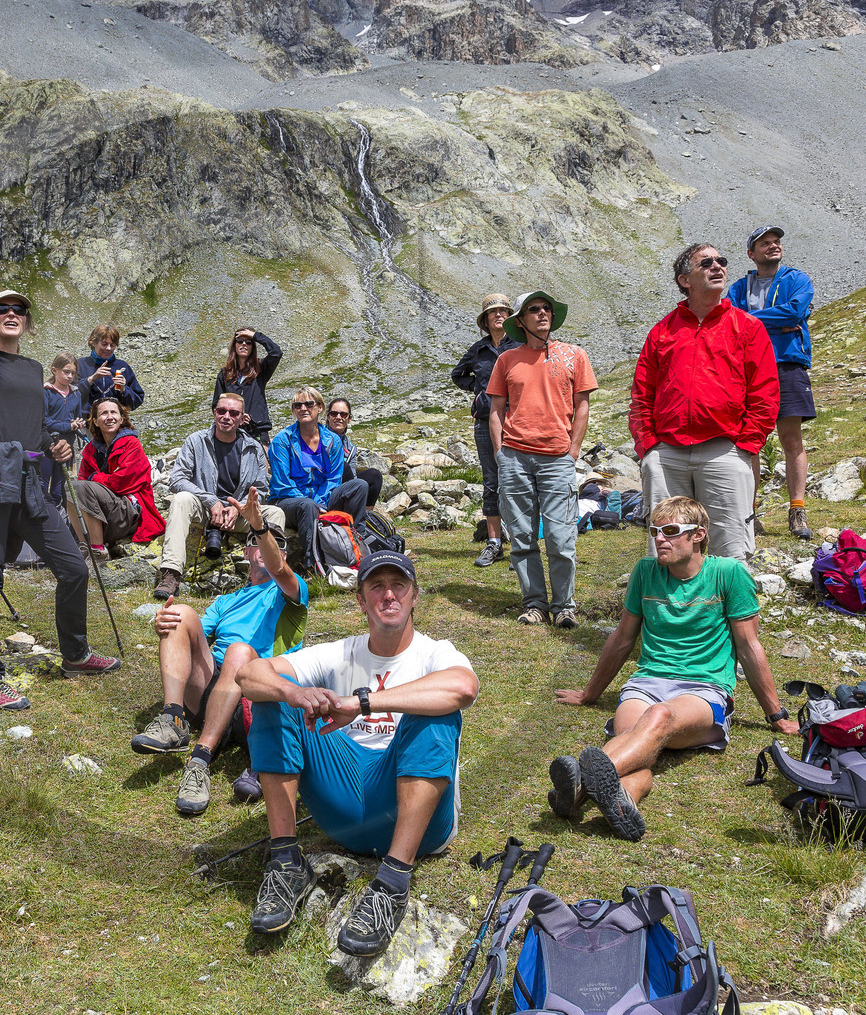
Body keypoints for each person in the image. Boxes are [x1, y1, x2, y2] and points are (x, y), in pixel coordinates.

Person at [236, 549, 478, 955]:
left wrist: (362, 703)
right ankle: (285, 864)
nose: (388, 595)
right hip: (344, 805)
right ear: (360, 599)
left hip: (417, 821)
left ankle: (393, 883)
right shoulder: (339, 652)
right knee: (275, 696)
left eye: (398, 585)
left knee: (435, 714)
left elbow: (462, 688)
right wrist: (293, 692)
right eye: (376, 586)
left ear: (414, 596)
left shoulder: (437, 652)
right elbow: (248, 674)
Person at [0, 253, 121, 712]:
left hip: (30, 475)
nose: (11, 314)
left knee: (73, 567)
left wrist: (56, 446)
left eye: (18, 310)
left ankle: (74, 654)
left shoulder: (34, 368)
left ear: (27, 323)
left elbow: (33, 426)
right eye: (2, 310)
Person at [550, 497, 797, 841]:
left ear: (698, 535)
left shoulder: (728, 574)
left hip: (704, 689)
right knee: (634, 747)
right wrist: (590, 694)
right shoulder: (645, 571)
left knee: (657, 720)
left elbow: (749, 647)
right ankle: (625, 802)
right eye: (654, 531)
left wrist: (777, 715)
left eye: (669, 531)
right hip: (647, 682)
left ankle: (576, 788)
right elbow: (622, 637)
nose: (659, 539)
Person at [138, 487, 306, 815]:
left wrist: (260, 527)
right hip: (214, 688)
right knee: (181, 614)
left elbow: (280, 570)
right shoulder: (226, 600)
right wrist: (166, 626)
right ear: (246, 551)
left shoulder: (291, 591)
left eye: (278, 544)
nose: (271, 548)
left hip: (256, 698)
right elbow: (190, 636)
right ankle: (173, 719)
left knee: (239, 653)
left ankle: (200, 760)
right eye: (261, 542)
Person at [630, 243, 779, 562]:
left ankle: (733, 609)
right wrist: (648, 447)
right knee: (667, 544)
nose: (718, 267)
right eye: (706, 263)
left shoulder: (748, 327)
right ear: (685, 280)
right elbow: (642, 392)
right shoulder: (661, 331)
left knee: (731, 544)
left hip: (724, 450)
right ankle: (668, 609)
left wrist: (747, 445)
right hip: (667, 453)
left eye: (721, 261)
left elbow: (765, 391)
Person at [486, 291, 597, 629]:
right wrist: (500, 454)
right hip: (515, 457)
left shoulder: (574, 355)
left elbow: (582, 406)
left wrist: (573, 450)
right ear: (520, 320)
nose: (542, 314)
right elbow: (495, 411)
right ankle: (534, 603)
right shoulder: (507, 360)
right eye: (534, 309)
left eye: (546, 308)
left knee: (561, 537)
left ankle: (564, 605)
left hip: (557, 459)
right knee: (521, 535)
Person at [726, 226, 816, 541]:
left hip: (787, 364)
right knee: (750, 441)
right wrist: (777, 320)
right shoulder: (737, 288)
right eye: (765, 243)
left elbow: (795, 312)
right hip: (748, 368)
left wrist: (749, 319)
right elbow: (728, 320)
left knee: (792, 439)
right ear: (752, 253)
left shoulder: (797, 280)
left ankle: (797, 510)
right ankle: (749, 513)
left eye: (776, 241)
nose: (773, 246)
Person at [154, 393, 285, 600]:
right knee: (181, 500)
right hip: (205, 509)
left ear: (242, 418)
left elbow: (261, 488)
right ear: (214, 413)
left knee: (275, 513)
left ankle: (267, 577)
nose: (226, 416)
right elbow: (177, 479)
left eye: (233, 413)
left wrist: (239, 507)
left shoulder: (254, 448)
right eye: (221, 411)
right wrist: (211, 500)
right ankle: (171, 574)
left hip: (240, 513)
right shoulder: (196, 441)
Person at [451, 293, 521, 567]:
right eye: (493, 312)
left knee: (517, 481)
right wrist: (480, 393)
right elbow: (458, 375)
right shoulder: (478, 350)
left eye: (504, 310)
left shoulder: (520, 346)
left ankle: (519, 543)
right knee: (491, 482)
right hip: (484, 422)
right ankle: (494, 542)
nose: (499, 315)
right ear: (485, 320)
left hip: (515, 420)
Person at [269, 386, 369, 576]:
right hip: (288, 501)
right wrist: (314, 504)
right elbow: (283, 484)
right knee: (307, 505)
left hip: (321, 499)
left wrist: (321, 502)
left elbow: (334, 478)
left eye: (309, 404)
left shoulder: (332, 440)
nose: (303, 409)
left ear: (320, 408)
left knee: (360, 486)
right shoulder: (282, 440)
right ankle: (313, 565)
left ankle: (358, 546)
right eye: (298, 405)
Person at [68, 399, 164, 559]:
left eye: (114, 412)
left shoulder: (131, 444)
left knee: (79, 488)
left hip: (131, 511)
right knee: (69, 489)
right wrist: (100, 480)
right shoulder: (91, 449)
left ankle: (98, 551)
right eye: (103, 413)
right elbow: (84, 481)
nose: (109, 417)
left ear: (121, 418)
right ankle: (86, 546)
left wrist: (95, 478)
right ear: (96, 421)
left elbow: (121, 483)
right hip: (105, 512)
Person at [214, 327, 283, 443]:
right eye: (240, 341)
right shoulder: (225, 374)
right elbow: (216, 404)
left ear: (253, 346)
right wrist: (233, 417)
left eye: (249, 342)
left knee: (262, 461)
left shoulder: (261, 369)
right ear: (234, 345)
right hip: (231, 432)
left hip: (258, 430)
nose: (244, 344)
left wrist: (256, 336)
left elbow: (276, 353)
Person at [39, 352, 85, 506]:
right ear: (54, 370)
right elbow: (43, 421)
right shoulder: (46, 391)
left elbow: (76, 416)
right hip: (48, 446)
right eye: (66, 372)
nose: (70, 376)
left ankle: (59, 515)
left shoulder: (76, 393)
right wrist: (68, 426)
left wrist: (78, 423)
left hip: (67, 446)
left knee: (60, 487)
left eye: (73, 373)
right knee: (44, 482)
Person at [326, 398, 382, 509]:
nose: (338, 417)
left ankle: (365, 515)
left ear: (349, 418)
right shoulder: (318, 438)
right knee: (343, 466)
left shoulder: (350, 448)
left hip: (344, 488)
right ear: (328, 417)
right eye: (334, 413)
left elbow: (352, 476)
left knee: (374, 475)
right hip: (325, 488)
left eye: (343, 414)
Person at [77, 323, 145, 413]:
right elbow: (67, 397)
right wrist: (90, 380)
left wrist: (124, 389)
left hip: (115, 423)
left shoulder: (122, 367)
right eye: (104, 344)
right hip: (87, 423)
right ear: (94, 343)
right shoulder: (80, 365)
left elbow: (137, 401)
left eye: (112, 345)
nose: (108, 348)